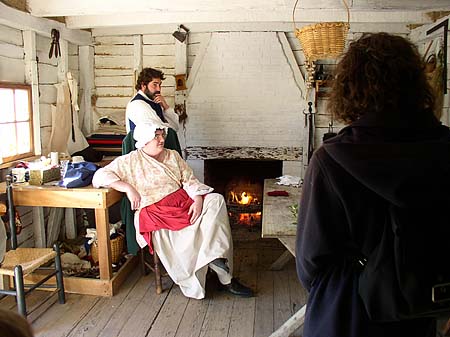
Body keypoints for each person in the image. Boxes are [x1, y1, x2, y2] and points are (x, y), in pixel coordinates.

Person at [296, 32, 447, 337]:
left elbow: (311, 261)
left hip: (351, 310)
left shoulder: (331, 159)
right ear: (416, 85)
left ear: (350, 89)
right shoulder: (445, 147)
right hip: (423, 301)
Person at [93, 122, 253, 299]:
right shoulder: (130, 161)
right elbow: (99, 176)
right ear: (145, 140)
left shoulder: (173, 155)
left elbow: (189, 179)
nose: (162, 140)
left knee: (216, 200)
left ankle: (213, 258)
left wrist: (198, 199)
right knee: (188, 232)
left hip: (183, 200)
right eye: (157, 136)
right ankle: (223, 274)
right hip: (156, 210)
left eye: (162, 135)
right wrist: (127, 188)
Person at [126, 67, 181, 155]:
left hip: (157, 148)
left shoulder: (155, 101)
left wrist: (165, 106)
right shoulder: (138, 104)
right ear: (143, 85)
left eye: (160, 85)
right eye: (154, 84)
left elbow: (175, 127)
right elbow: (159, 128)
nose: (158, 89)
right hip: (143, 153)